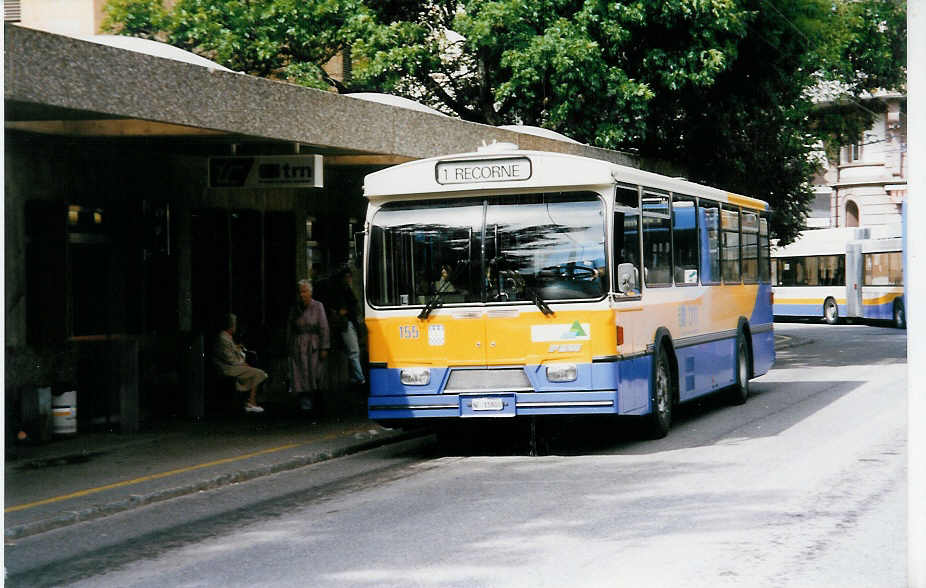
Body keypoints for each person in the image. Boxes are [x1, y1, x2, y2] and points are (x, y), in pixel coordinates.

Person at [287, 279, 330, 414]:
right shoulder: (295, 308)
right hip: (299, 345)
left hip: (314, 346)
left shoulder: (318, 306)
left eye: (305, 292)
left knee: (316, 374)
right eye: (300, 292)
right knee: (300, 374)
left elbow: (324, 327)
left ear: (310, 293)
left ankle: (318, 402)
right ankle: (305, 404)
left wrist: (324, 347)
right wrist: (289, 346)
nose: (302, 295)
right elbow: (290, 328)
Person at [212, 313, 267, 413]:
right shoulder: (223, 338)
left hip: (231, 365)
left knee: (255, 371)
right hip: (227, 368)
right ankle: (251, 402)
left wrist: (237, 349)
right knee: (258, 373)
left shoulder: (227, 337)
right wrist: (242, 363)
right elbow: (230, 359)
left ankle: (249, 401)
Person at [328, 265, 366, 387]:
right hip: (346, 323)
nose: (349, 279)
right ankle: (360, 378)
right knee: (354, 352)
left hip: (348, 322)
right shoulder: (341, 290)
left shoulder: (344, 289)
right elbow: (345, 309)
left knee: (353, 351)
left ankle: (356, 377)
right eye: (347, 276)